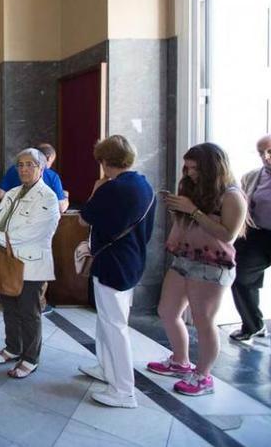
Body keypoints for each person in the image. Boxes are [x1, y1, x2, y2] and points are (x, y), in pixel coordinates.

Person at [148, 143, 247, 396]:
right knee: (167, 310)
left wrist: (193, 210)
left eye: (195, 168)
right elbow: (188, 224)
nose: (190, 173)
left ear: (213, 168)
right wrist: (178, 214)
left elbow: (228, 234)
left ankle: (203, 375)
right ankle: (180, 360)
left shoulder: (232, 196)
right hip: (184, 258)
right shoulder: (193, 190)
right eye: (187, 167)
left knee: (203, 320)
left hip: (212, 264)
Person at [76, 136, 155, 408]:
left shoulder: (113, 189)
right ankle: (106, 369)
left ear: (105, 161)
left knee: (115, 326)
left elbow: (84, 216)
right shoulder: (144, 184)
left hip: (112, 263)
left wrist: (96, 191)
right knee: (107, 321)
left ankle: (123, 389)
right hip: (131, 259)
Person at [0, 148, 61, 379]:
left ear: (42, 167)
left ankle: (30, 357)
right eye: (21, 165)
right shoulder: (12, 193)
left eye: (30, 165)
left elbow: (32, 232)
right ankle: (13, 347)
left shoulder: (48, 198)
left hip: (31, 265)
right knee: (9, 308)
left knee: (29, 312)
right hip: (7, 261)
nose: (24, 169)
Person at [229, 134, 271, 343]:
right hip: (259, 234)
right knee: (241, 277)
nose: (265, 157)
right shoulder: (252, 176)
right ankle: (253, 324)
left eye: (269, 151)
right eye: (261, 152)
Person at [0, 143, 69, 213]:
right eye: (21, 165)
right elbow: (62, 208)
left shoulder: (14, 169)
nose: (24, 171)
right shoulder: (52, 176)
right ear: (49, 158)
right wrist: (65, 196)